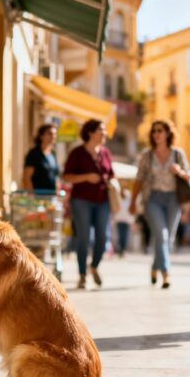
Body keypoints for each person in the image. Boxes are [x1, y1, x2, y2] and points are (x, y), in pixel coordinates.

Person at [130, 119, 190, 289]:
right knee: (162, 235)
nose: (156, 134)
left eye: (160, 130)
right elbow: (139, 179)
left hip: (173, 199)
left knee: (168, 239)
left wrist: (181, 174)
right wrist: (132, 201)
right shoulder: (147, 155)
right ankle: (166, 273)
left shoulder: (178, 153)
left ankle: (155, 267)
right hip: (152, 199)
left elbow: (189, 176)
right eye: (154, 131)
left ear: (168, 133)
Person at [63, 119, 115, 289]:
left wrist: (111, 181)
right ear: (91, 133)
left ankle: (94, 266)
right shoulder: (77, 153)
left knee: (102, 237)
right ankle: (82, 274)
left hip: (102, 200)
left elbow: (112, 174)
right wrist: (86, 177)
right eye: (102, 129)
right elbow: (67, 176)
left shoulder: (106, 153)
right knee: (84, 237)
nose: (104, 133)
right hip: (81, 200)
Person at [23, 124, 60, 191]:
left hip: (52, 195)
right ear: (41, 136)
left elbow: (56, 176)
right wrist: (31, 195)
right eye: (50, 133)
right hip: (38, 196)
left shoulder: (53, 154)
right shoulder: (34, 153)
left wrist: (58, 191)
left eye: (55, 134)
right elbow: (27, 177)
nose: (53, 136)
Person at [113, 187, 134, 258]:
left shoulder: (128, 200)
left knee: (124, 236)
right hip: (120, 220)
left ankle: (123, 249)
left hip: (126, 221)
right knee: (120, 235)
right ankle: (120, 249)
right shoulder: (120, 200)